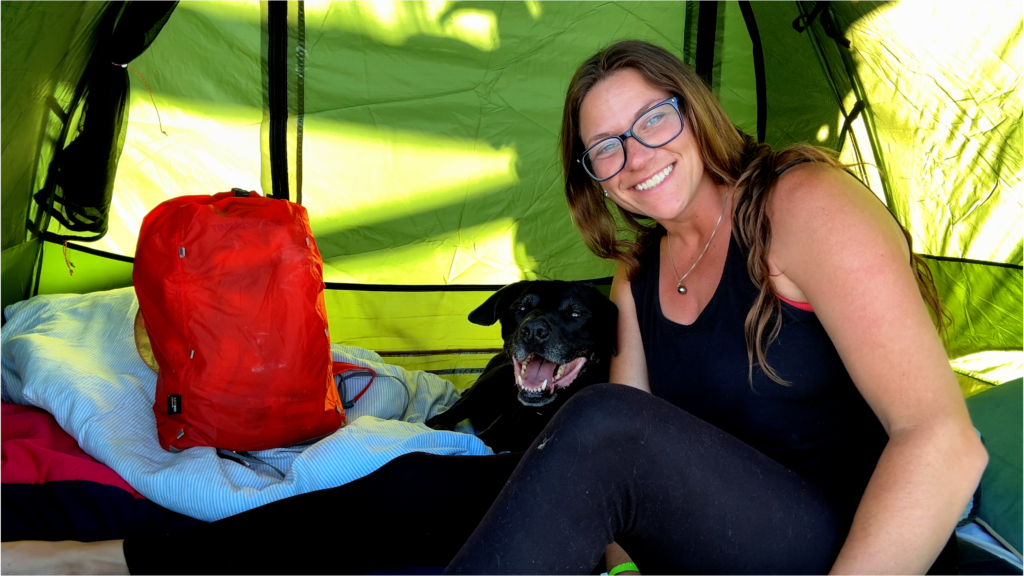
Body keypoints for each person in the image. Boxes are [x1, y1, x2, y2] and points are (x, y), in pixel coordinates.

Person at [0, 40, 986, 576]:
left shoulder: (802, 202)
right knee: (430, 480)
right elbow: (640, 448)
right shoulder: (637, 274)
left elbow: (944, 443)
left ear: (697, 110)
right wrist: (543, 522)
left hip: (848, 537)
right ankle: (109, 561)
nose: (636, 156)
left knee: (590, 422)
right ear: (590, 178)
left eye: (653, 119)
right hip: (713, 532)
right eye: (606, 148)